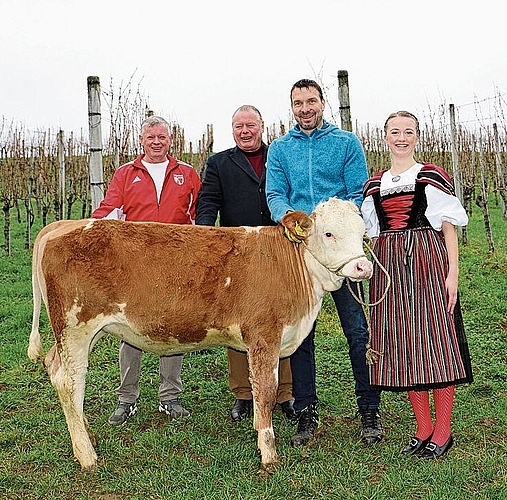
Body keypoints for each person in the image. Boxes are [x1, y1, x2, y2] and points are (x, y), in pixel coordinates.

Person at [266, 79, 383, 447]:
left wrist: (331, 219)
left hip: (343, 251)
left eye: (311, 101)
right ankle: (307, 412)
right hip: (300, 255)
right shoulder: (281, 150)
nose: (305, 108)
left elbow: (357, 192)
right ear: (292, 106)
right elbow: (275, 194)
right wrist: (291, 219)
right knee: (302, 337)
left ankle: (368, 410)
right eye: (298, 102)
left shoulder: (346, 143)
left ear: (322, 103)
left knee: (357, 331)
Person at [361, 110, 473, 459]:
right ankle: (423, 427)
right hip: (390, 269)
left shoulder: (431, 176)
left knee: (435, 341)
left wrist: (452, 274)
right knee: (405, 344)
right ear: (385, 137)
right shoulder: (374, 185)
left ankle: (443, 430)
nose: (401, 137)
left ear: (417, 136)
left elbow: (448, 229)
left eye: (408, 131)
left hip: (427, 261)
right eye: (395, 131)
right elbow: (372, 234)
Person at [92, 115, 202, 425]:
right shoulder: (126, 174)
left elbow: (197, 218)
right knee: (131, 329)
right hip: (135, 265)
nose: (157, 141)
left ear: (171, 140)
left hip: (176, 264)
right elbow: (110, 210)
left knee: (174, 325)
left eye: (162, 137)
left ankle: (170, 396)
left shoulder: (187, 174)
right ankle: (127, 399)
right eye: (151, 137)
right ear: (142, 140)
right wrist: (85, 230)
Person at [196, 104, 295, 422]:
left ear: (262, 127)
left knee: (281, 319)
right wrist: (204, 234)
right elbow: (208, 200)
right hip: (236, 255)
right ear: (232, 129)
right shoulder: (219, 163)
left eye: (250, 125)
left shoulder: (280, 156)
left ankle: (285, 393)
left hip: (279, 250)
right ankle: (244, 393)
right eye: (238, 126)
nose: (244, 131)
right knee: (239, 322)